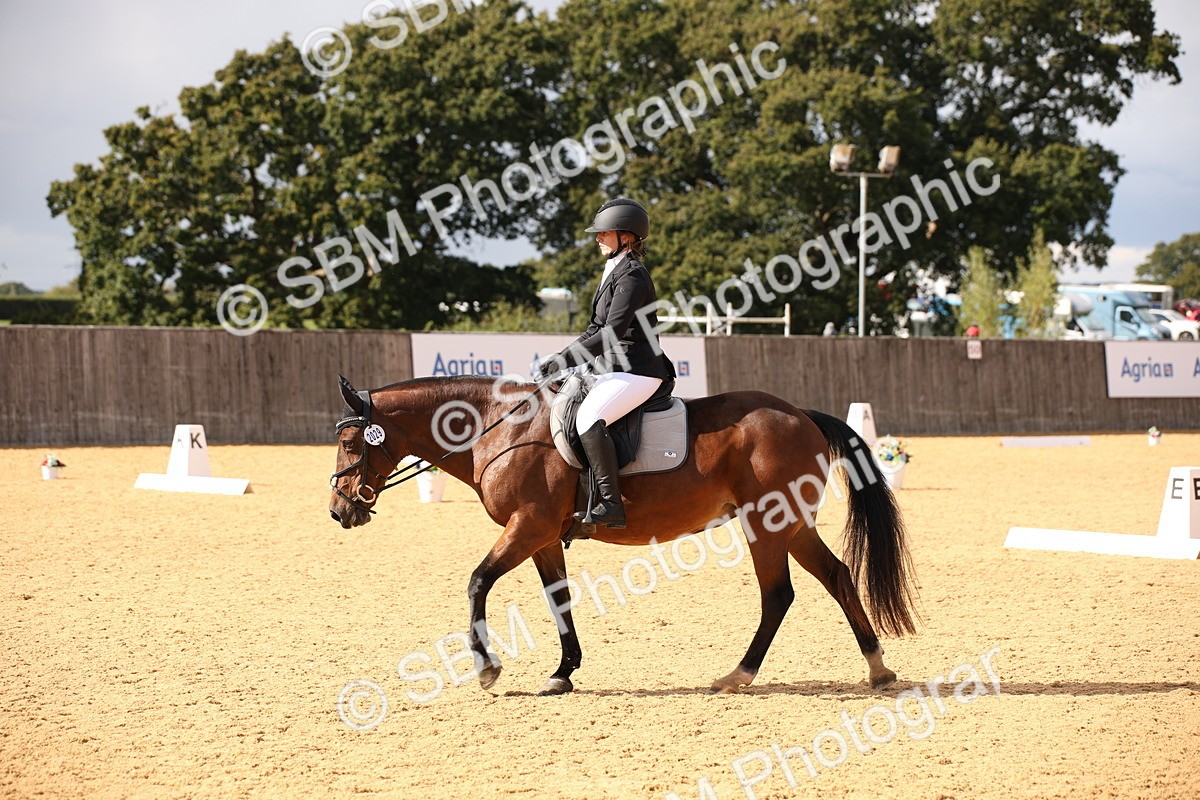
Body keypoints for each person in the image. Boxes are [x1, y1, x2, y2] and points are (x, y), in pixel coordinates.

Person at [537, 198, 674, 529]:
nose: (597, 238)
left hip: (638, 371)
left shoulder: (633, 276)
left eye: (604, 233)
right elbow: (594, 329)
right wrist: (562, 357)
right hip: (613, 368)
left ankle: (611, 504)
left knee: (588, 418)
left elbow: (612, 333)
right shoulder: (613, 271)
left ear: (625, 237)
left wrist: (566, 359)